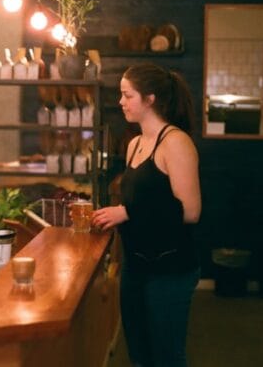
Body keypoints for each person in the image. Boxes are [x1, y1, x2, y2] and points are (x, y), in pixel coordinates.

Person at [92, 63, 201, 367]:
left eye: (128, 95)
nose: (121, 102)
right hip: (136, 265)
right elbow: (142, 201)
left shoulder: (176, 142)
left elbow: (190, 211)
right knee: (139, 356)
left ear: (150, 99)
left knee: (166, 358)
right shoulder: (135, 144)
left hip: (170, 269)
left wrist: (126, 212)